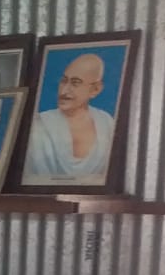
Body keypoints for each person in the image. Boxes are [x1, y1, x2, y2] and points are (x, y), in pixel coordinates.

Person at [23, 52, 117, 183]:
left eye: (75, 83)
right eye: (63, 81)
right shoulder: (40, 124)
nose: (64, 91)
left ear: (95, 89)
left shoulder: (106, 122)